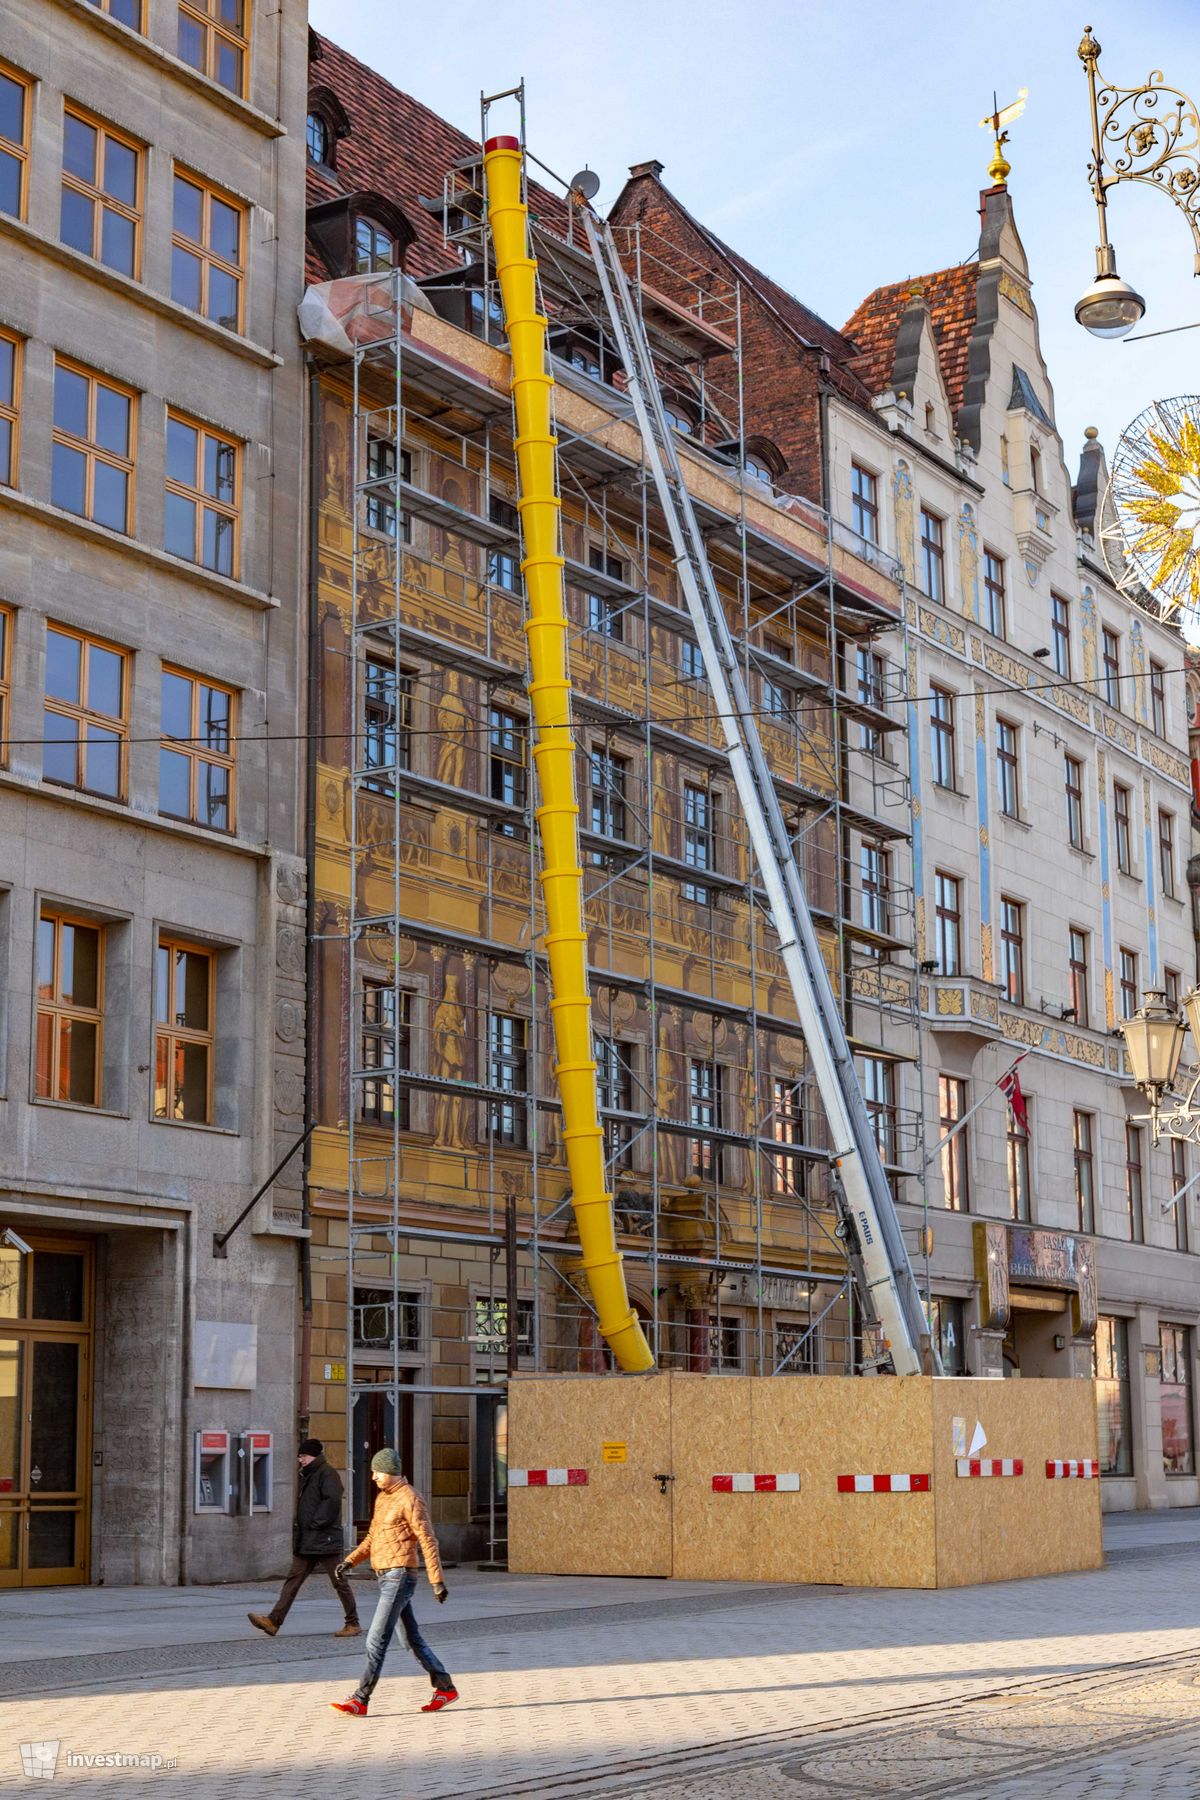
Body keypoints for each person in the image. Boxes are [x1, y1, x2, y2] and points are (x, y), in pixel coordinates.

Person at [328, 1448, 457, 1717]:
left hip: (400, 1576)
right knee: (411, 1639)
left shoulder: (410, 1498)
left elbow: (428, 1539)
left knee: (376, 1639)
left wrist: (437, 1580)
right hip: (384, 1576)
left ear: (390, 1471)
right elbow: (373, 1538)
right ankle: (445, 1687)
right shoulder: (383, 1499)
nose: (373, 1476)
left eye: (377, 1472)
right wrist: (350, 1561)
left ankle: (360, 1699)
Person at [248, 1438, 359, 1639]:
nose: (300, 1460)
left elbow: (332, 1501)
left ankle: (353, 1623)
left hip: (324, 1539)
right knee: (293, 1580)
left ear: (313, 1456)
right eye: (299, 1456)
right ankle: (274, 1621)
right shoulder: (310, 1474)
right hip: (308, 1539)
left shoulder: (327, 1473)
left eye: (303, 1456)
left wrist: (316, 1523)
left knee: (339, 1581)